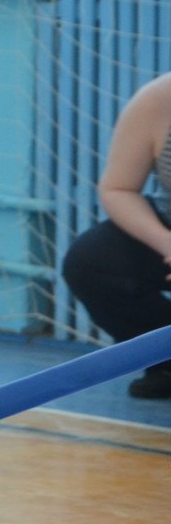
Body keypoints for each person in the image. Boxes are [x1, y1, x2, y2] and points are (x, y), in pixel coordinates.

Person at [62, 72, 171, 399]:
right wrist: (167, 244)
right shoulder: (159, 99)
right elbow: (118, 189)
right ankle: (165, 360)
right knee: (91, 261)